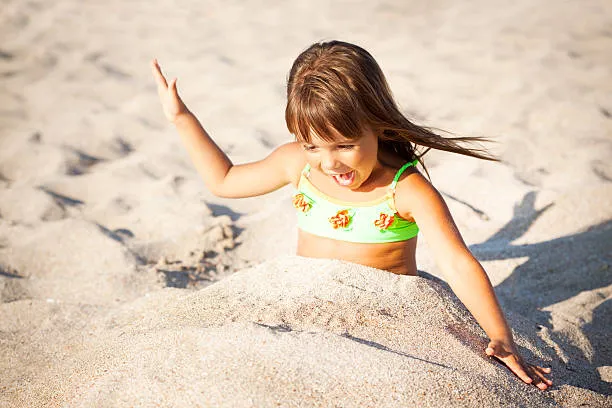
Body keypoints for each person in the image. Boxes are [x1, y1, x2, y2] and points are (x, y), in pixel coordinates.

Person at [151, 40, 553, 390]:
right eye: (312, 146)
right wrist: (181, 119)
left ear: (377, 126)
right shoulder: (297, 165)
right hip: (300, 305)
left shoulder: (405, 189)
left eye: (343, 145)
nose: (329, 163)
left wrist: (500, 335)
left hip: (386, 320)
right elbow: (224, 180)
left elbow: (457, 262)